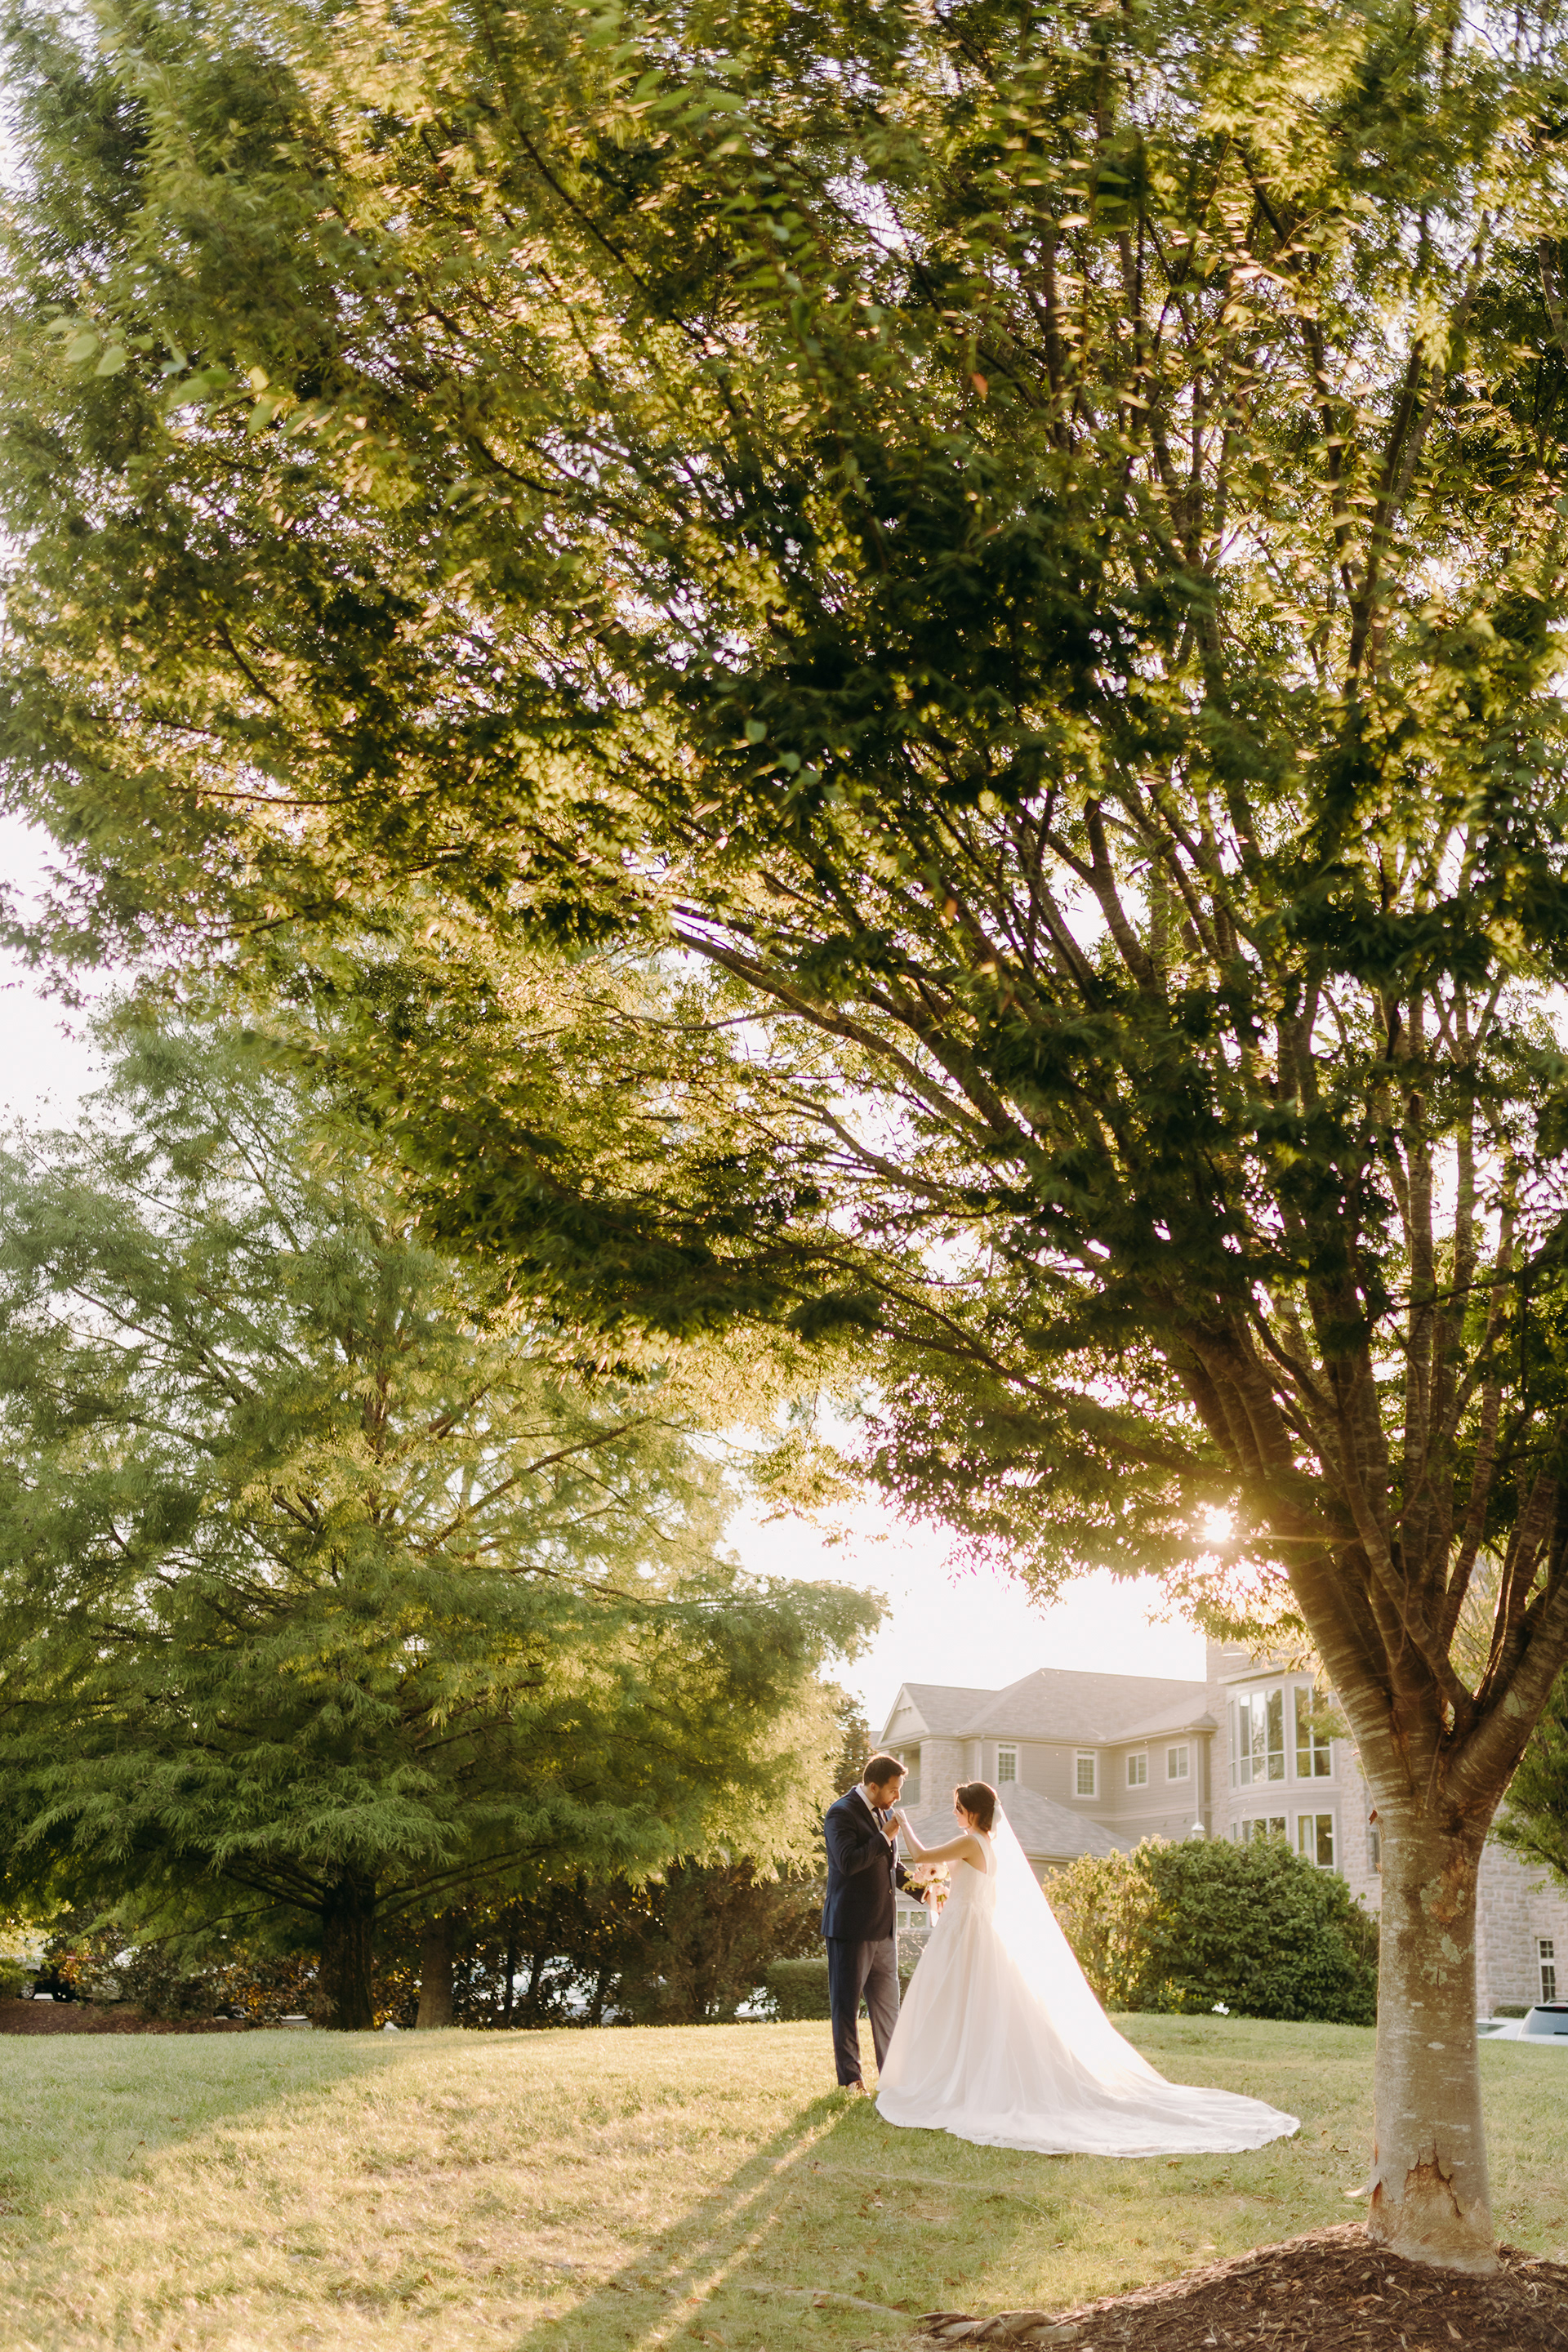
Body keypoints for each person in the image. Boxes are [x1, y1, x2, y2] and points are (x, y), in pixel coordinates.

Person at [876, 1780, 1298, 2157]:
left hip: (968, 1935)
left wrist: (903, 1822)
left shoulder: (972, 1842)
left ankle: (955, 2082)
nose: (954, 1813)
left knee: (961, 2004)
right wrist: (938, 1882)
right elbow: (954, 1879)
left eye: (957, 1808)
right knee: (967, 2008)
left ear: (972, 1812)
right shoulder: (984, 1844)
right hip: (970, 1930)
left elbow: (922, 1854)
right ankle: (955, 2075)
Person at [821, 1752, 918, 2095]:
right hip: (850, 1928)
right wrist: (885, 1835)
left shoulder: (885, 1813)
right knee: (846, 2007)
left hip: (884, 1929)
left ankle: (892, 2079)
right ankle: (851, 2080)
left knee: (889, 2008)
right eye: (893, 1789)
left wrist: (927, 1890)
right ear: (873, 1786)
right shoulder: (840, 1813)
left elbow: (892, 1867)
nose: (898, 1797)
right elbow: (848, 1862)